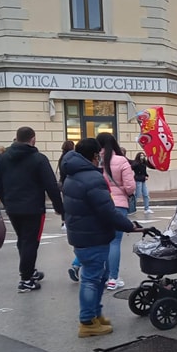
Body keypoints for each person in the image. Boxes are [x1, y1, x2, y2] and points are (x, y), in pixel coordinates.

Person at [62, 138, 141, 337]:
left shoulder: (73, 174)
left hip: (82, 233)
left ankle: (94, 315)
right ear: (95, 155)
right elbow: (107, 210)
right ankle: (88, 321)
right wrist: (129, 226)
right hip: (92, 234)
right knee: (91, 278)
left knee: (99, 276)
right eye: (98, 154)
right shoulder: (92, 178)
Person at [0, 126, 64, 293]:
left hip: (12, 205)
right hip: (33, 206)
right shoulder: (38, 158)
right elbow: (50, 185)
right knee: (31, 241)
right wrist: (59, 207)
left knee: (22, 239)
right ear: (33, 139)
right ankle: (26, 278)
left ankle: (29, 270)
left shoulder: (2, 158)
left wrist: (6, 201)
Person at [96, 132, 136, 290]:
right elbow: (130, 186)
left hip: (100, 203)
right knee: (115, 242)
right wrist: (126, 193)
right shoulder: (121, 160)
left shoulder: (95, 161)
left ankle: (102, 274)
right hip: (118, 204)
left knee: (103, 241)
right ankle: (113, 277)